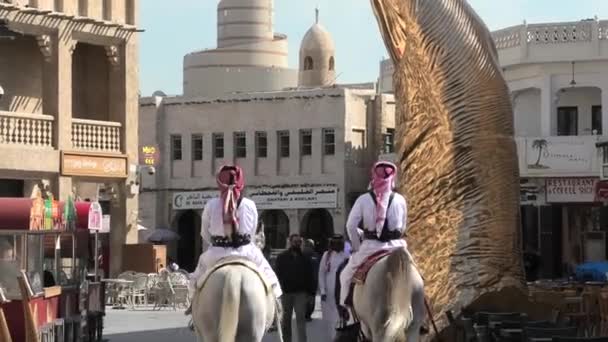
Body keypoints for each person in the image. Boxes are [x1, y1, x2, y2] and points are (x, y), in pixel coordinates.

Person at [186, 165, 282, 314]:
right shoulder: (250, 205)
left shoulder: (211, 205)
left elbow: (204, 232)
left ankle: (193, 308)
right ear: (241, 182)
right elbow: (252, 232)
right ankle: (276, 308)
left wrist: (216, 242)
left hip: (216, 253)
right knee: (270, 278)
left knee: (195, 281)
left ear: (219, 183)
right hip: (246, 252)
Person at [338, 161, 408, 311]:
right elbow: (403, 227)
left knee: (345, 277)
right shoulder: (401, 200)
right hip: (397, 248)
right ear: (392, 177)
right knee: (419, 276)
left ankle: (347, 316)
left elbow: (350, 226)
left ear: (373, 175)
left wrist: (356, 247)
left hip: (370, 248)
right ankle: (422, 315)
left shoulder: (363, 199)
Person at [276, 234, 316, 342]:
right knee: (285, 321)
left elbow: (311, 277)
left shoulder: (305, 258)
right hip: (286, 293)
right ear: (290, 242)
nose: (297, 244)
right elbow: (277, 276)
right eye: (295, 242)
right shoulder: (281, 257)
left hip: (301, 293)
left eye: (299, 242)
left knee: (301, 321)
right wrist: (276, 293)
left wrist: (312, 294)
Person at [318, 234, 349, 340]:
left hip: (343, 290)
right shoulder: (327, 255)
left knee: (341, 316)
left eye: (339, 242)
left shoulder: (347, 255)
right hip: (329, 292)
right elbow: (321, 274)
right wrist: (322, 291)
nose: (337, 244)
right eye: (334, 242)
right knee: (329, 319)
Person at [303, 238, 319, 321]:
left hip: (313, 282)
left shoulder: (316, 255)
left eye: (310, 245)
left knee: (311, 300)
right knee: (305, 300)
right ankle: (305, 315)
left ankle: (308, 315)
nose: (308, 247)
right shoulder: (301, 256)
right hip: (304, 282)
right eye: (307, 245)